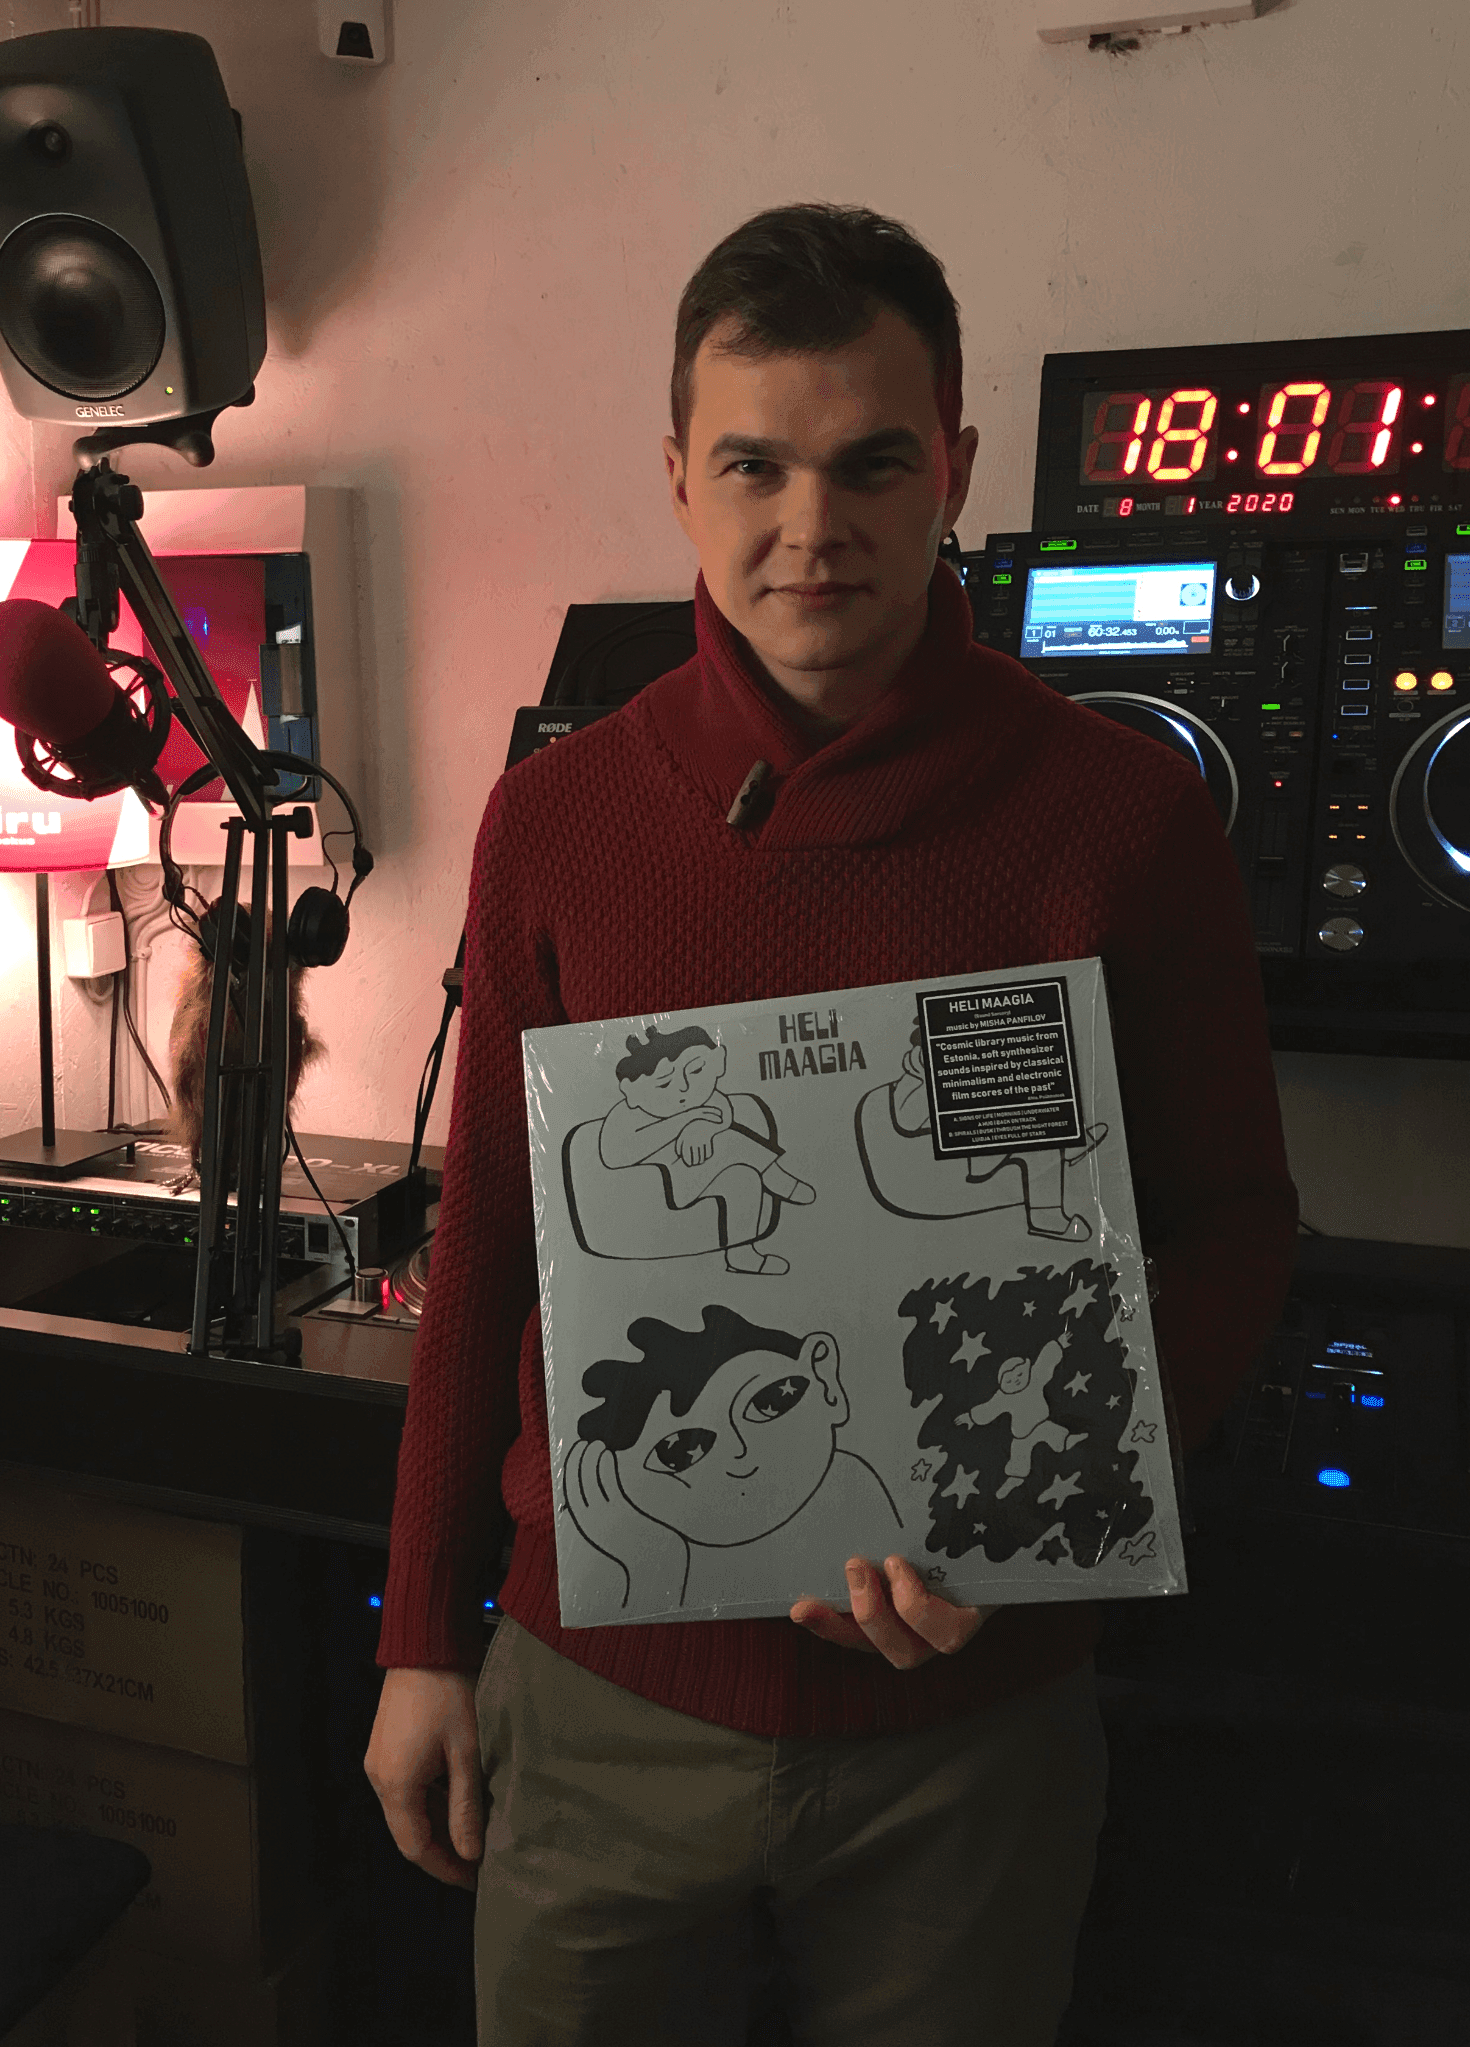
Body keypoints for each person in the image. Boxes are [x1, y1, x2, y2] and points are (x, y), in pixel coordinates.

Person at [364, 203, 1297, 2046]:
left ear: (953, 466)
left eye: (871, 463)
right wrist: (415, 1634)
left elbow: (1233, 1225)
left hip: (970, 1718)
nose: (812, 526)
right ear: (676, 477)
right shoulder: (556, 819)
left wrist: (1033, 1517)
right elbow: (489, 1244)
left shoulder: (1117, 816)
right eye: (754, 466)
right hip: (603, 1692)